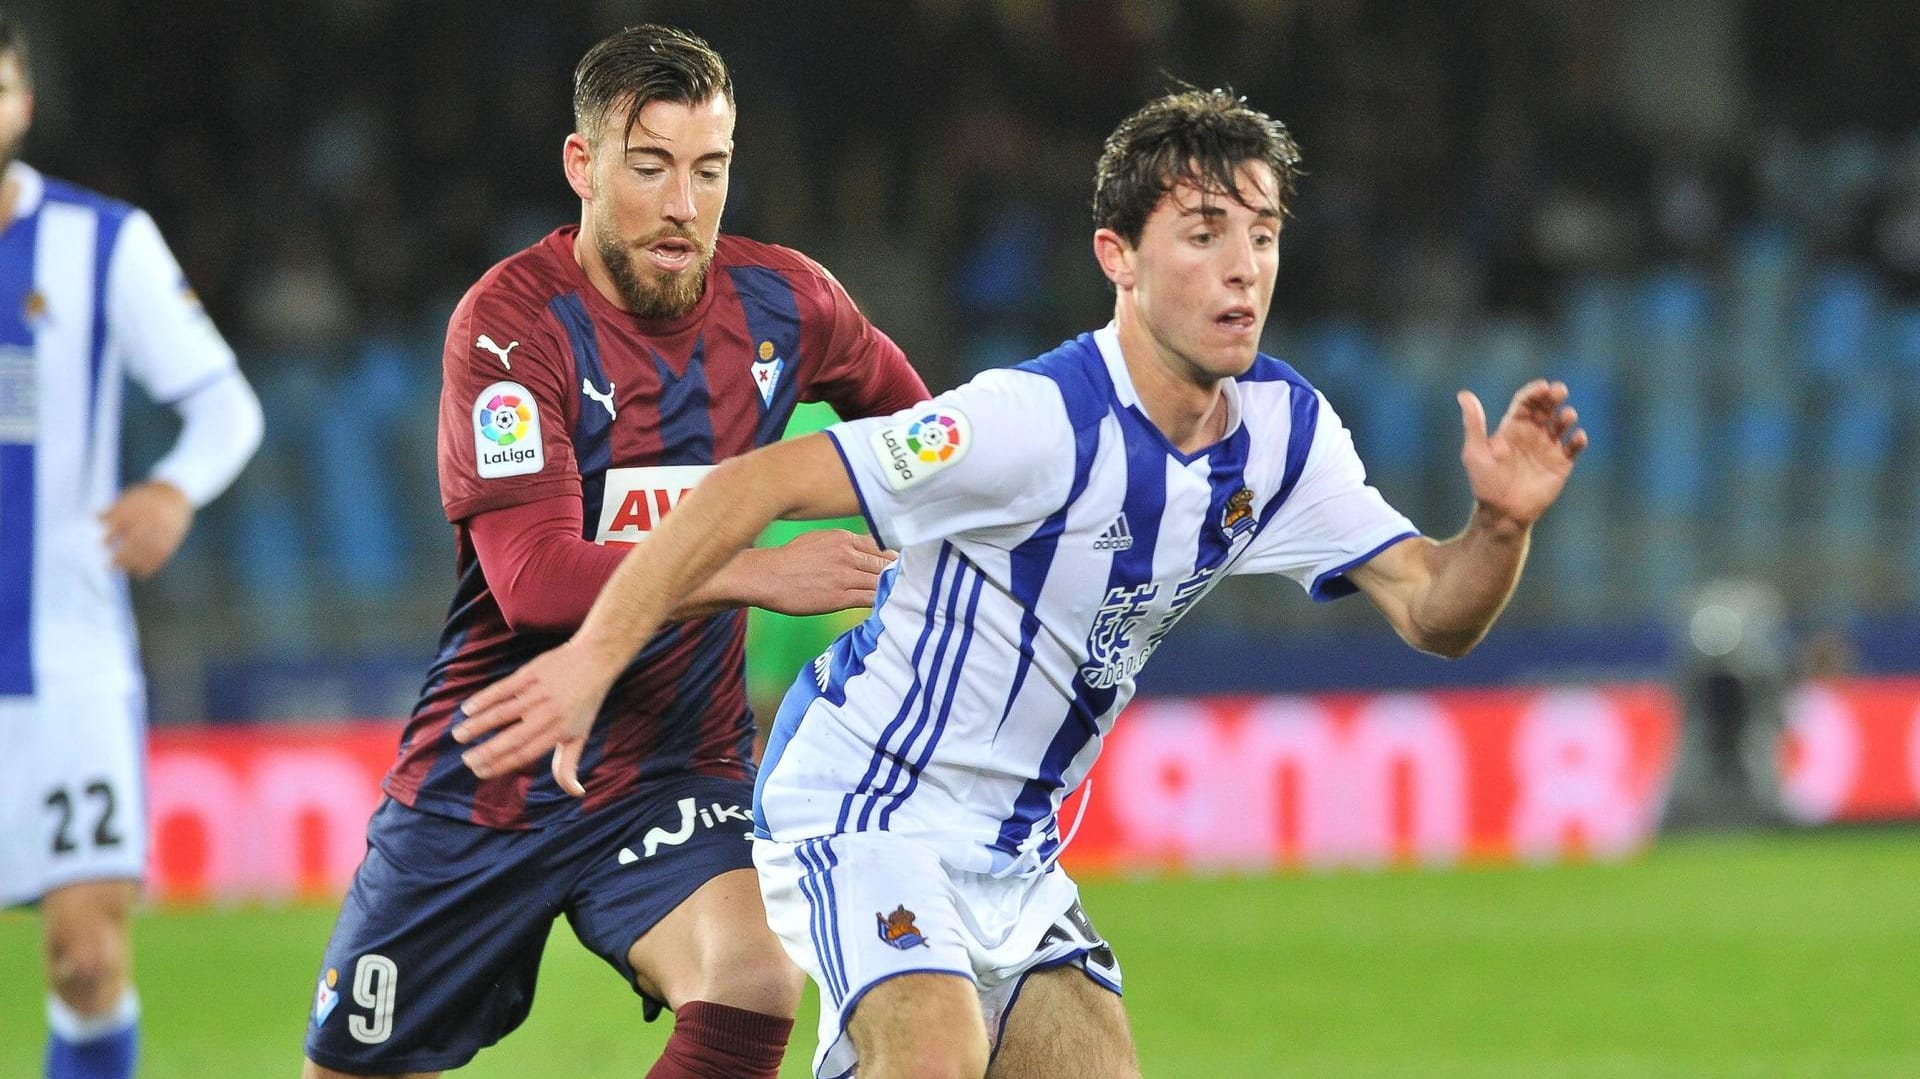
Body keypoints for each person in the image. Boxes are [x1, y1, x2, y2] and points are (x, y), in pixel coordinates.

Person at [455, 86, 1586, 1078]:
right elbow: (747, 485)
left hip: (1017, 850)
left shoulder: (1286, 437)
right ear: (1118, 258)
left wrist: (1495, 523)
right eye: (1203, 233)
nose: (1244, 266)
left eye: (1263, 233)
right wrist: (597, 653)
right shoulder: (1029, 422)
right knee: (932, 1049)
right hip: (861, 801)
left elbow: (1437, 610)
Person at [300, 23, 928, 1079]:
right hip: (487, 773)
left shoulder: (788, 304)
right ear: (583, 166)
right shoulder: (510, 327)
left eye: (710, 169)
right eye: (651, 168)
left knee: (755, 977)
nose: (684, 204)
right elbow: (537, 581)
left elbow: (932, 444)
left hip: (670, 766)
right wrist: (754, 570)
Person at [0, 15, 265, 1079]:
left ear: (19, 102)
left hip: (67, 661)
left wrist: (171, 488)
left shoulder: (102, 240)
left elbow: (227, 409)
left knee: (85, 958)